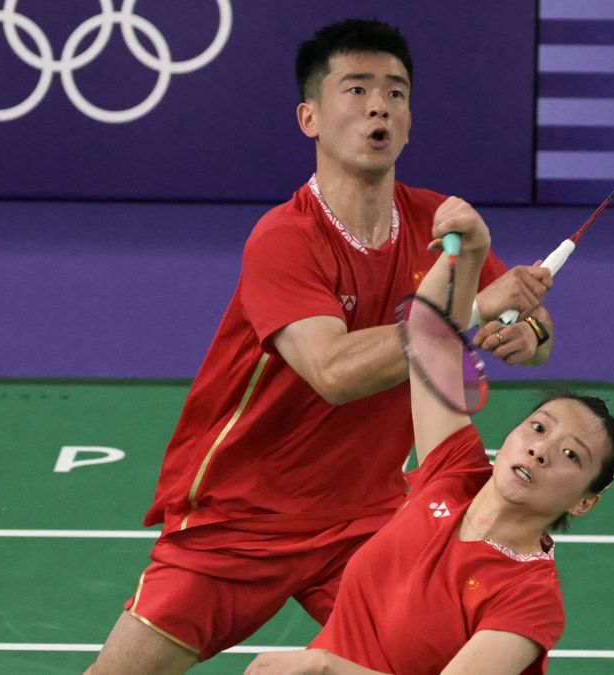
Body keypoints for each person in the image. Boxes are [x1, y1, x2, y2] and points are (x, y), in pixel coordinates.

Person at [85, 19, 555, 675]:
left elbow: (527, 324)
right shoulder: (283, 239)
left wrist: (525, 332)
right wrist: (476, 308)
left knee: (442, 659)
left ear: (410, 120)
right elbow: (333, 372)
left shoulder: (436, 224)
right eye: (356, 88)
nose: (377, 106)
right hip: (241, 518)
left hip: (367, 520)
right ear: (309, 116)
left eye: (395, 91)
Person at [244, 182, 614, 675]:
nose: (540, 451)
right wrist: (473, 254)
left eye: (572, 455)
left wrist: (325, 668)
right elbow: (427, 339)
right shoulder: (454, 471)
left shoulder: (529, 600)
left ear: (584, 502)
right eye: (537, 428)